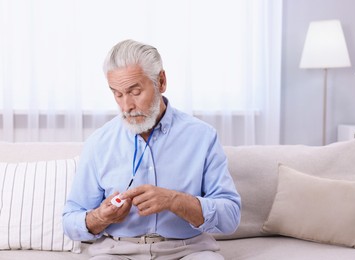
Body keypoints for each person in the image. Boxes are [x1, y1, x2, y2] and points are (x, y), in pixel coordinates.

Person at [63, 39, 241, 260]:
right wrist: (100, 217)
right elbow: (70, 221)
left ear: (161, 81)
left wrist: (175, 201)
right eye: (117, 94)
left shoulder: (203, 137)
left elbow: (231, 216)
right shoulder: (99, 143)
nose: (126, 105)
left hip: (188, 250)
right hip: (118, 252)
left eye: (135, 91)